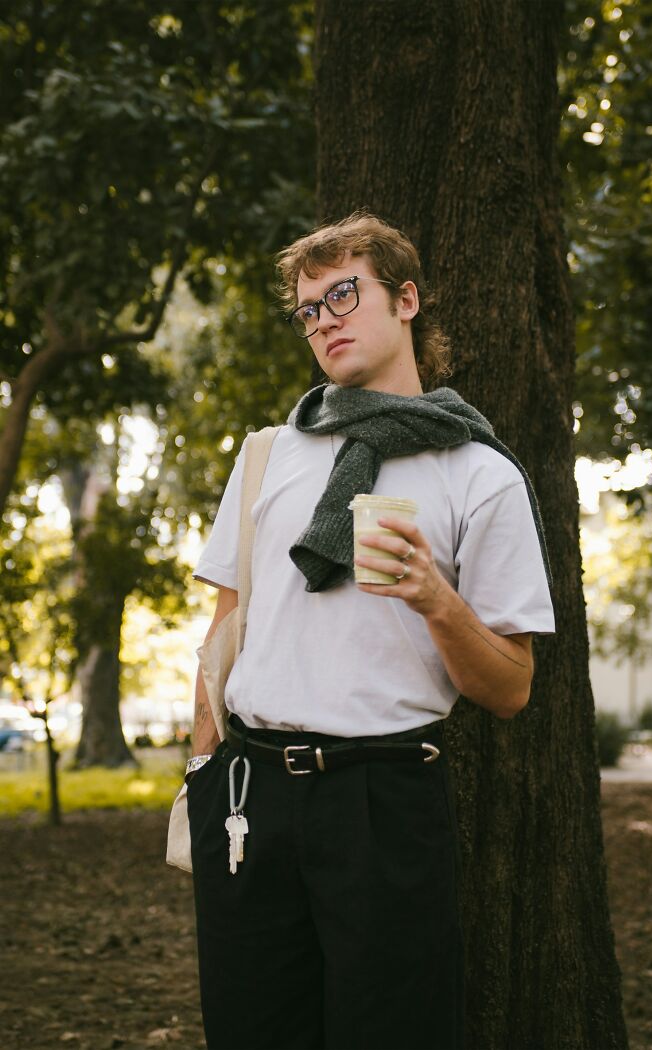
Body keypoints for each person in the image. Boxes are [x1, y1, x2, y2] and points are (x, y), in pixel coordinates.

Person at [186, 212, 555, 1050]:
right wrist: (204, 769)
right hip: (249, 794)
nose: (326, 320)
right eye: (309, 310)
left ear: (408, 300)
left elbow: (511, 687)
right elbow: (224, 625)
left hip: (384, 798)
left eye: (343, 293)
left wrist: (434, 597)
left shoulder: (479, 474)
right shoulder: (269, 456)